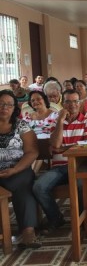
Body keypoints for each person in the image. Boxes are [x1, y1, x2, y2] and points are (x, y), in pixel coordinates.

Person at [33, 89, 87, 233]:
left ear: (80, 103)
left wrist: (64, 149)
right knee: (39, 187)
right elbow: (55, 145)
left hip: (81, 166)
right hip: (59, 168)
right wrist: (61, 121)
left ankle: (83, 220)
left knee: (82, 185)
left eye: (75, 101)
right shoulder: (56, 121)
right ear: (63, 103)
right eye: (68, 101)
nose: (72, 105)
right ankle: (56, 219)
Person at [0, 90, 41, 249]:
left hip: (17, 169)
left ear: (14, 108)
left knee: (23, 185)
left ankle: (28, 231)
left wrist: (15, 169)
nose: (4, 107)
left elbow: (32, 151)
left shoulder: (21, 125)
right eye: (1, 104)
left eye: (9, 105)